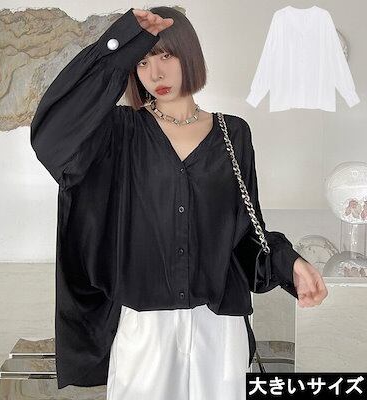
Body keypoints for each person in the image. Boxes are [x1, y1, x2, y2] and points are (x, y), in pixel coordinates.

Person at [30, 6, 328, 399]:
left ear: (189, 54)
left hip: (219, 329)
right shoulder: (119, 132)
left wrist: (290, 262)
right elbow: (51, 138)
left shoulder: (233, 133)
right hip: (145, 329)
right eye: (142, 62)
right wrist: (119, 44)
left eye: (166, 56)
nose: (155, 73)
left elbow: (244, 235)